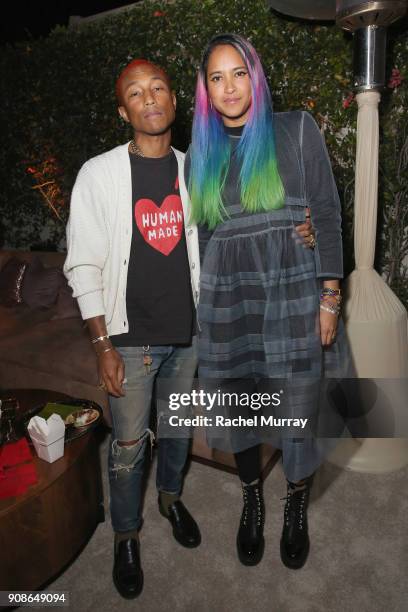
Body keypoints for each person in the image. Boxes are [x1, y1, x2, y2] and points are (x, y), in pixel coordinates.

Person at [186, 34, 350, 569]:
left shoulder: (295, 128)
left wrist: (330, 295)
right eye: (216, 77)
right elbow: (208, 240)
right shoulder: (202, 157)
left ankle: (295, 502)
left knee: (298, 409)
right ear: (205, 91)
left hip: (292, 289)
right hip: (232, 300)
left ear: (254, 76)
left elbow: (324, 213)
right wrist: (204, 317)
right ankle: (252, 497)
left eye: (238, 73)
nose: (229, 87)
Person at [63, 59, 202, 600]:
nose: (150, 98)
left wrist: (300, 226)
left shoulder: (195, 170)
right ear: (124, 110)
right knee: (126, 448)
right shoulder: (98, 175)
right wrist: (102, 344)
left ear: (173, 101)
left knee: (177, 432)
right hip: (131, 339)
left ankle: (170, 498)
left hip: (188, 336)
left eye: (159, 88)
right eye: (136, 93)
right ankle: (126, 535)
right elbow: (83, 264)